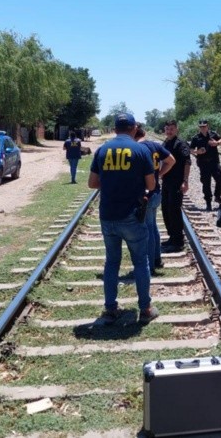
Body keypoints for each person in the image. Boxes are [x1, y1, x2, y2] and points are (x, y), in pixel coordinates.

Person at [88, 113, 159, 325]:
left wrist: (112, 184)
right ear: (134, 128)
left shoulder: (102, 150)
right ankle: (145, 308)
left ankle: (110, 308)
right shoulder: (140, 150)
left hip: (108, 215)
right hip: (132, 216)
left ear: (115, 128)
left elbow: (92, 183)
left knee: (112, 262)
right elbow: (152, 184)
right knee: (140, 261)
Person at [135, 123, 176, 275]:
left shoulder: (138, 149)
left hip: (146, 193)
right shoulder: (154, 145)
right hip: (156, 192)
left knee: (147, 229)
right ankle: (157, 259)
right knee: (153, 226)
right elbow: (171, 160)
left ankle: (150, 264)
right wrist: (159, 174)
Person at [160, 119, 191, 253]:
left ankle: (178, 242)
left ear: (176, 129)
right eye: (167, 129)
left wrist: (185, 181)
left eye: (172, 128)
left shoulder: (181, 144)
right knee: (166, 210)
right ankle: (172, 237)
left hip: (177, 182)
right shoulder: (165, 143)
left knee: (174, 211)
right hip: (166, 182)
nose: (169, 131)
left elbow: (187, 162)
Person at [189, 119, 221, 211]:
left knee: (220, 179)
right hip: (203, 163)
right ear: (199, 127)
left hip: (214, 162)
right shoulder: (196, 138)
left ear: (207, 126)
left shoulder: (213, 134)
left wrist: (216, 143)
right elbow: (191, 150)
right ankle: (208, 203)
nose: (203, 128)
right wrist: (198, 152)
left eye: (204, 126)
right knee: (206, 183)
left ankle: (217, 195)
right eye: (201, 127)